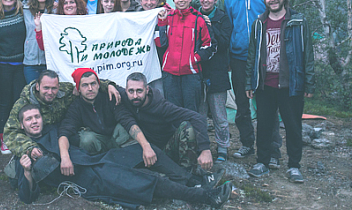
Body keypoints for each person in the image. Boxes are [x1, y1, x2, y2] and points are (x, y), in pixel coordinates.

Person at [16, 105, 232, 208]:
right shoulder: (23, 150)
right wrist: (27, 172)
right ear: (21, 124)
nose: (34, 121)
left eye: (36, 117)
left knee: (146, 150)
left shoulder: (55, 129)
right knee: (145, 181)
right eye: (29, 119)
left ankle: (193, 181)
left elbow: (73, 128)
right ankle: (206, 197)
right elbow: (27, 197)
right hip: (88, 179)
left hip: (100, 160)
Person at [245, 0, 315, 183]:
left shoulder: (298, 21)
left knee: (293, 126)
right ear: (264, 0)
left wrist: (309, 83)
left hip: (291, 83)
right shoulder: (259, 23)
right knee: (264, 125)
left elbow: (307, 53)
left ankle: (294, 166)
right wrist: (250, 83)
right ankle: (262, 162)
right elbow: (252, 54)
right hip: (265, 84)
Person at [2, 70, 120, 173]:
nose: (50, 92)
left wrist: (107, 85)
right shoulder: (23, 104)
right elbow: (10, 133)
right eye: (46, 88)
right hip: (38, 142)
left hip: (61, 135)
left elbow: (84, 85)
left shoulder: (65, 91)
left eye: (54, 88)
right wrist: (29, 148)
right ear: (37, 86)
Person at [224, 0, 282, 161]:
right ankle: (247, 143)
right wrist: (230, 55)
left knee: (268, 103)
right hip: (239, 56)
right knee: (241, 104)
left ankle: (272, 149)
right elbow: (229, 26)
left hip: (263, 55)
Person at [120, 73, 215, 173]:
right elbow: (105, 83)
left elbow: (197, 118)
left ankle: (187, 172)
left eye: (139, 91)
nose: (135, 96)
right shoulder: (124, 98)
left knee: (187, 127)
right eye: (131, 91)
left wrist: (205, 149)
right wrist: (109, 85)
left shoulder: (161, 106)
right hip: (144, 150)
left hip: (166, 149)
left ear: (147, 90)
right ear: (126, 90)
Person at [58, 68, 143, 157]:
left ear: (99, 85)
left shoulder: (110, 97)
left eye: (93, 84)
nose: (90, 88)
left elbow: (126, 119)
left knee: (125, 128)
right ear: (78, 88)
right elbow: (65, 131)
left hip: (116, 140)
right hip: (97, 145)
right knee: (86, 139)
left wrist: (146, 146)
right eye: (85, 85)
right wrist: (65, 157)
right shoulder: (76, 107)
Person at [158, 0, 216, 112]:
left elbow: (209, 45)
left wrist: (194, 59)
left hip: (191, 74)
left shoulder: (198, 19)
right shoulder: (168, 18)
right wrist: (161, 24)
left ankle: (192, 133)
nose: (181, 0)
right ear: (173, 0)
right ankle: (176, 133)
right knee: (173, 111)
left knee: (191, 111)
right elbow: (160, 43)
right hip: (170, 74)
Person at [0, 0, 27, 155]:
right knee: (3, 102)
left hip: (20, 64)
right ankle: (4, 137)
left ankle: (19, 134)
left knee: (18, 101)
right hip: (3, 66)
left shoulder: (22, 15)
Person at [198, 0, 232, 162]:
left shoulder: (222, 18)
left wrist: (211, 26)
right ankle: (203, 146)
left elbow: (225, 43)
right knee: (200, 114)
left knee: (219, 114)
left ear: (216, 0)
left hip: (217, 72)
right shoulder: (194, 15)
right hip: (199, 72)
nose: (205, 0)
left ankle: (223, 147)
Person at [22, 0, 53, 84]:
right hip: (31, 61)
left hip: (50, 61)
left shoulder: (55, 11)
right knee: (32, 94)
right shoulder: (24, 9)